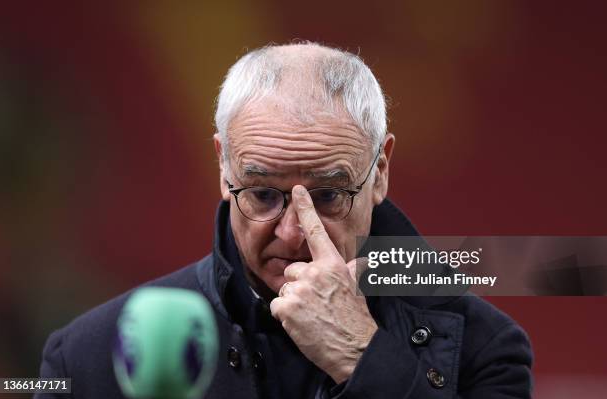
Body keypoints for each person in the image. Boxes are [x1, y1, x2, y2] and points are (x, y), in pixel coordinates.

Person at [37, 42, 533, 398]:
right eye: (262, 194)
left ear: (380, 171)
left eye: (330, 194)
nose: (295, 232)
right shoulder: (84, 357)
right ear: (223, 166)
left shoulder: (486, 348)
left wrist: (363, 359)